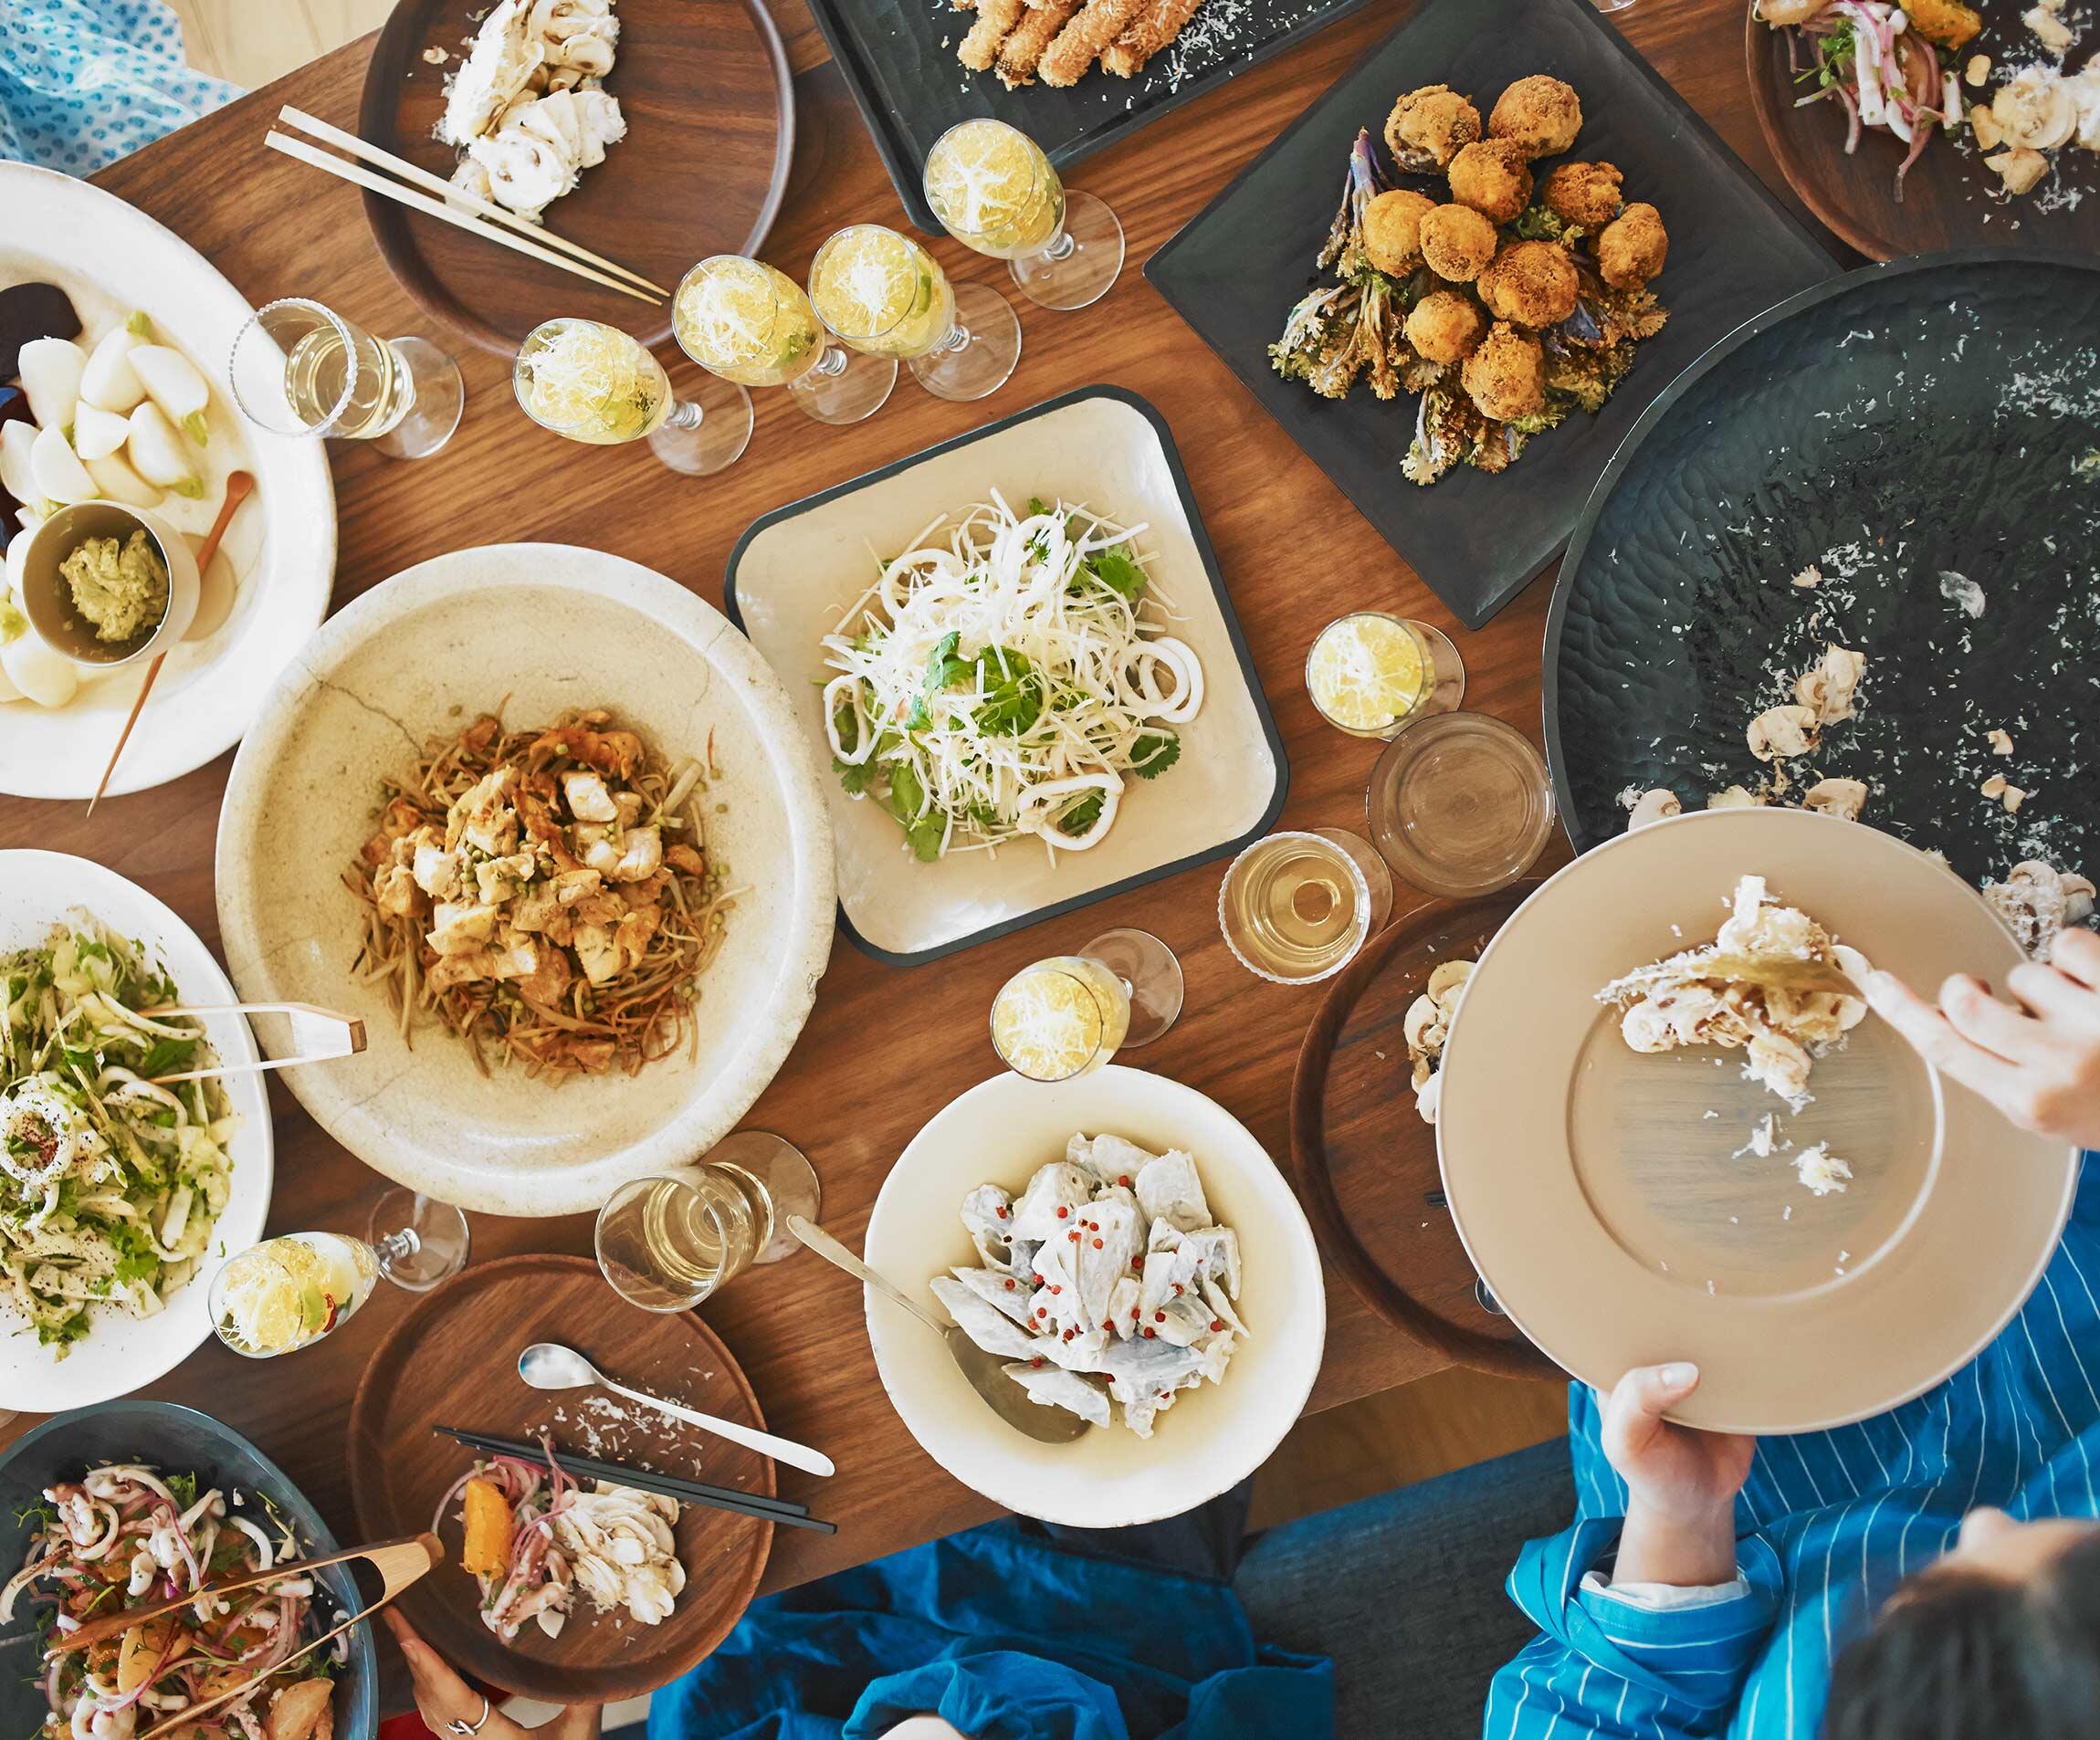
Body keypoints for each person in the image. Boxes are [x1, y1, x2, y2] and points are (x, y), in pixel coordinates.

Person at [1489, 928, 2100, 1739]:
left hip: (1725, 1427)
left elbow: (1575, 1716)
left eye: (1929, 1593)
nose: (1987, 1524)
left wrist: (1681, 1522)